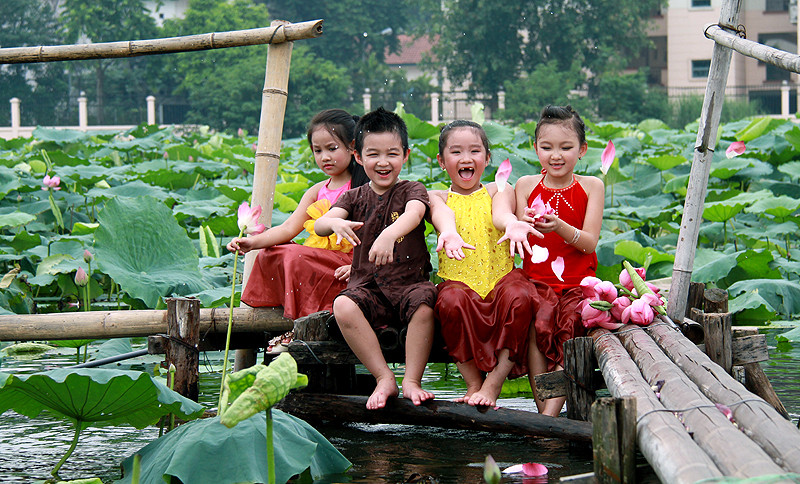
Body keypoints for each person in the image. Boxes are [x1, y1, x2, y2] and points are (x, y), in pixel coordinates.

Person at [314, 107, 437, 410]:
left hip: (410, 286)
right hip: (368, 288)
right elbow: (320, 224)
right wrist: (335, 223)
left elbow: (415, 214)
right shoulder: (352, 197)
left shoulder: (412, 190)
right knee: (342, 304)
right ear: (358, 157)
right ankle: (384, 377)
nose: (383, 163)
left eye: (392, 154)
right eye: (373, 154)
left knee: (425, 304)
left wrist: (388, 234)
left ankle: (411, 379)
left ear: (405, 155)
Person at [430, 120, 557, 408]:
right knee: (449, 301)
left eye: (475, 151)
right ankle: (473, 382)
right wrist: (448, 232)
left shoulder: (498, 189)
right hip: (459, 281)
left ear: (487, 158)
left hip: (502, 279)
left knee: (521, 297)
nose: (466, 158)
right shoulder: (436, 196)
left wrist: (511, 223)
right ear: (441, 161)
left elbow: (501, 214)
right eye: (456, 152)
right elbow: (441, 215)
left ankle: (493, 383)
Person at [227, 109, 368, 324]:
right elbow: (287, 229)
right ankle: (290, 315)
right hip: (320, 263)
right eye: (318, 151)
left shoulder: (365, 188)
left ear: (352, 148)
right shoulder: (316, 191)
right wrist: (252, 242)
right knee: (272, 252)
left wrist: (360, 267)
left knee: (295, 256)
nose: (325, 157)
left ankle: (299, 322)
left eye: (332, 148)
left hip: (351, 267)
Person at [515, 105, 605, 416]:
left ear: (582, 150)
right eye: (547, 147)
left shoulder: (592, 186)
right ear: (535, 148)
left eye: (566, 147)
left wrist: (560, 227)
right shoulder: (525, 185)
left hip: (578, 285)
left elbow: (589, 242)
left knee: (572, 328)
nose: (556, 155)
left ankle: (548, 417)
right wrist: (523, 222)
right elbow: (518, 237)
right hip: (535, 283)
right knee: (533, 326)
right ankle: (546, 415)